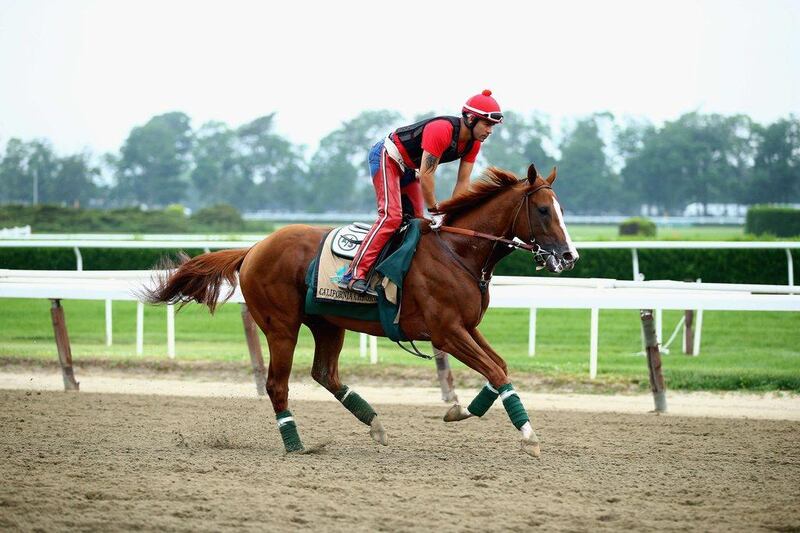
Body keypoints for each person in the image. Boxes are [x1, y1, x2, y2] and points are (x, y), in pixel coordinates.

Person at [339, 89, 503, 296]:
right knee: (391, 217)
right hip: (387, 157)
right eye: (487, 124)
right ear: (470, 119)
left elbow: (463, 182)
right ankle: (354, 275)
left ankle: (397, 277)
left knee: (419, 224)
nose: (490, 131)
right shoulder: (442, 130)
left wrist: (452, 214)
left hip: (408, 168)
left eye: (493, 126)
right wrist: (435, 209)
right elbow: (427, 174)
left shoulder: (474, 144)